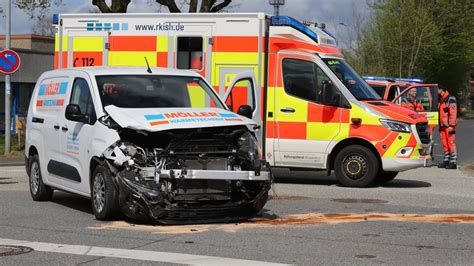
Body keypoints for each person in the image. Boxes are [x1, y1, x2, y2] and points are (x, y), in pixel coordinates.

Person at [437, 87, 457, 169]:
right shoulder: (442, 99)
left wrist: (452, 126)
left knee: (451, 143)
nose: (436, 91)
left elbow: (453, 113)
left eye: (437, 89)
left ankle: (453, 162)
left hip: (449, 126)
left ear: (441, 89)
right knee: (445, 144)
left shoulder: (450, 99)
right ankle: (446, 160)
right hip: (443, 126)